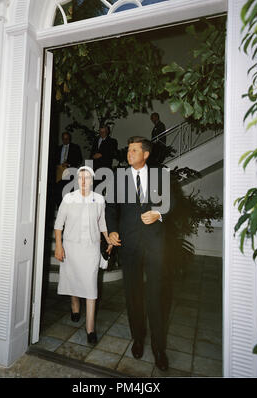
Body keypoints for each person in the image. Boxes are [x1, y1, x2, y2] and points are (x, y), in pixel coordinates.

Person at [105, 136, 175, 371]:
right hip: (130, 245)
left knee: (156, 297)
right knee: (133, 295)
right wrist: (112, 231)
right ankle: (138, 339)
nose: (129, 153)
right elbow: (111, 207)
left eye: (134, 150)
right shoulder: (119, 178)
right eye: (128, 150)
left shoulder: (160, 175)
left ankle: (159, 348)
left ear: (146, 154)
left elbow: (172, 203)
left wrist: (159, 214)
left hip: (155, 245)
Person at [54, 166, 112, 344]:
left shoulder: (99, 199)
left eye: (87, 177)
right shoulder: (69, 198)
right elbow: (58, 225)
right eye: (80, 178)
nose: (84, 181)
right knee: (73, 279)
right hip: (71, 248)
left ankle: (90, 328)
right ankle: (75, 306)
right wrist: (58, 246)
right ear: (76, 180)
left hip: (91, 249)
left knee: (90, 286)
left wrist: (108, 240)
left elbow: (102, 223)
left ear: (93, 180)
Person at [54, 131, 83, 207]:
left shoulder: (75, 147)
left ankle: (68, 208)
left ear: (70, 139)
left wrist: (69, 164)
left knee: (67, 191)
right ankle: (59, 207)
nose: (65, 140)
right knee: (58, 190)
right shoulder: (58, 148)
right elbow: (54, 160)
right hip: (59, 171)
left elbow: (79, 160)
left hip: (70, 171)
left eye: (67, 139)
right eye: (64, 139)